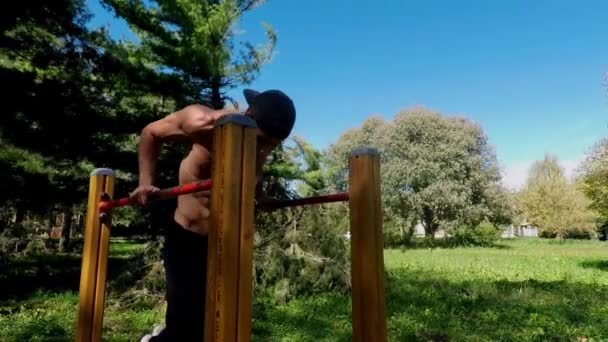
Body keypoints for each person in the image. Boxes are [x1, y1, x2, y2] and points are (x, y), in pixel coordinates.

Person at [132, 88, 296, 342]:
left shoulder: (260, 142)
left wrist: (261, 198)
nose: (263, 148)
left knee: (222, 321)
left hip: (227, 240)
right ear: (249, 116)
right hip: (188, 236)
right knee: (186, 327)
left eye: (271, 145)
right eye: (262, 140)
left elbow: (256, 166)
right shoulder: (202, 121)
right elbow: (150, 133)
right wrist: (145, 182)